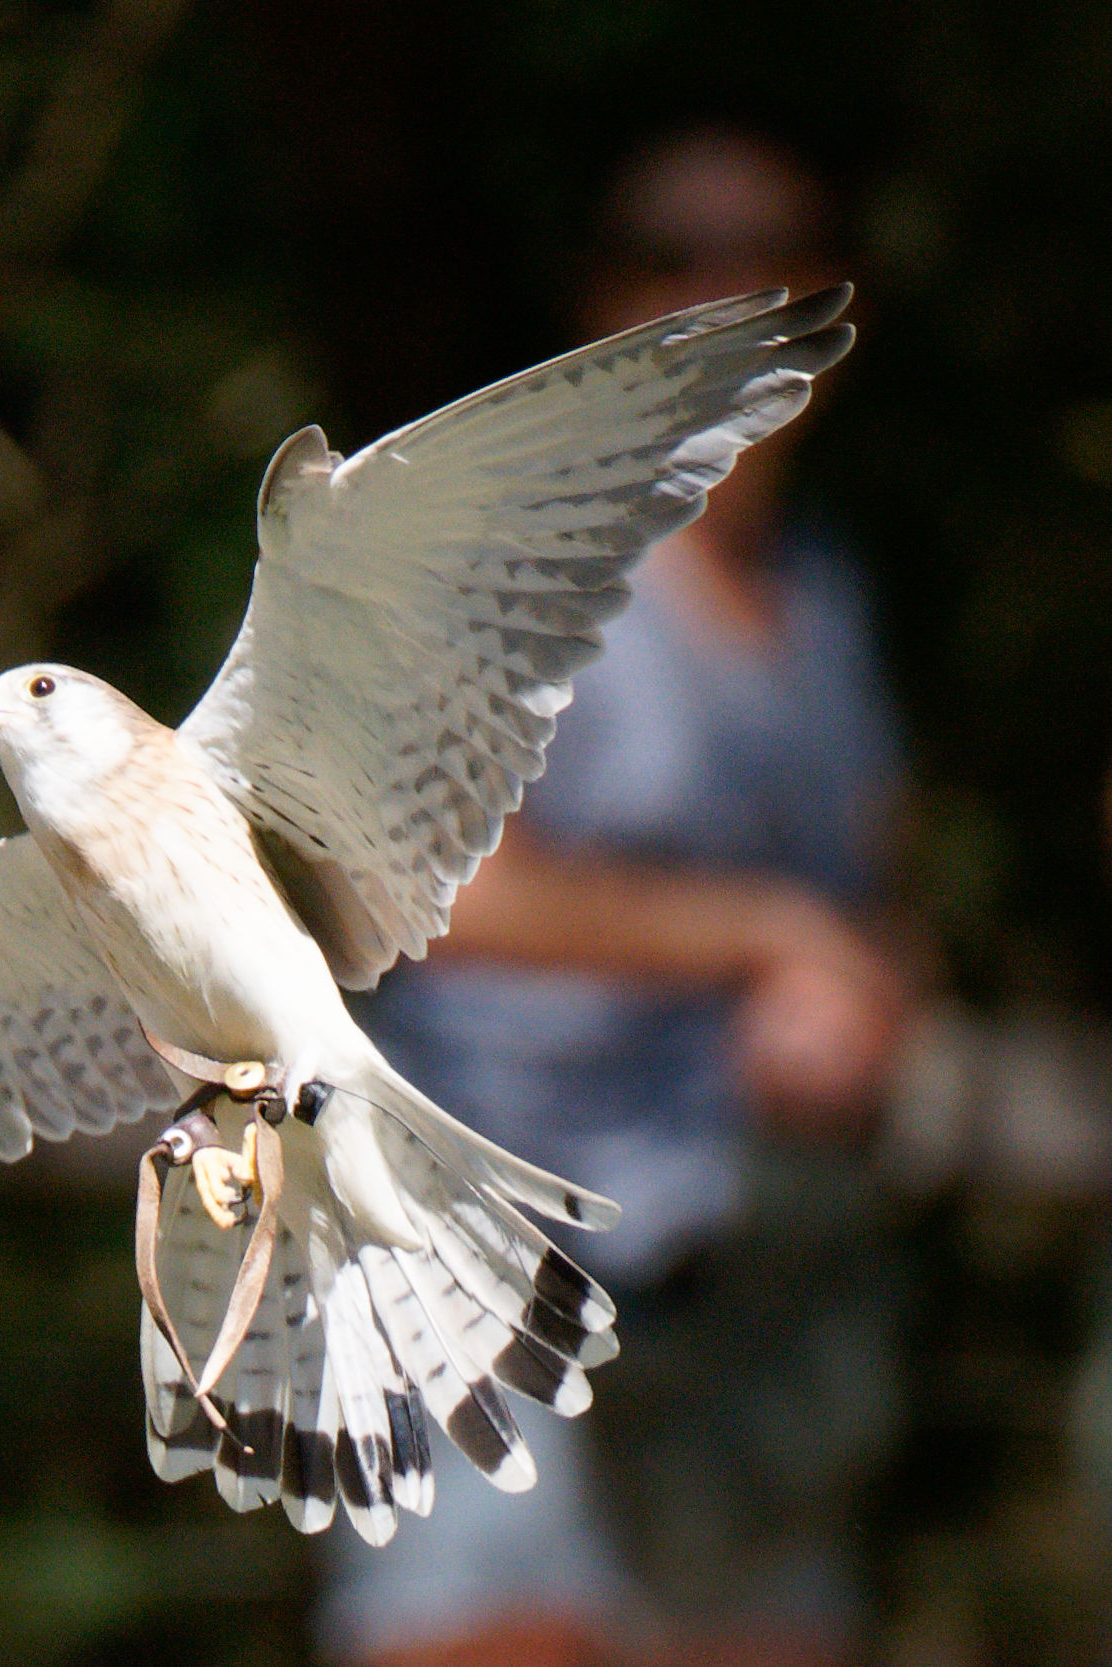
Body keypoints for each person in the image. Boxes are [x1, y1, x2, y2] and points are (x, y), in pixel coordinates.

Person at [316, 129, 917, 1667]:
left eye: (774, 254)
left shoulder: (827, 593)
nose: (728, 293)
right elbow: (415, 892)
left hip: (744, 1262)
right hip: (489, 1246)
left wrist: (854, 990)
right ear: (602, 305)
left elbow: (872, 895)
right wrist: (765, 937)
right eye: (676, 255)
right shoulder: (515, 572)